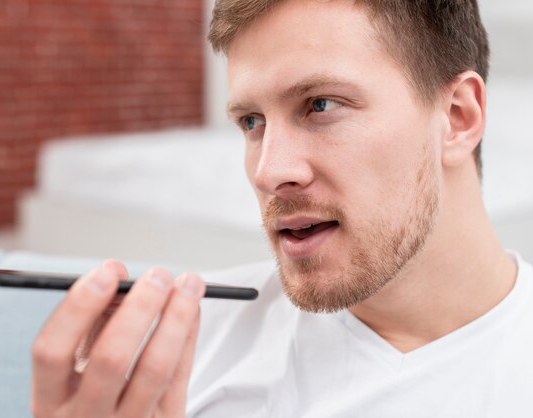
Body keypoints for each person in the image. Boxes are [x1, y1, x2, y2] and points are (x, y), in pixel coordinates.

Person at [30, 0, 533, 417]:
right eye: (252, 121)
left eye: (320, 104)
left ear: (458, 118)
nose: (268, 173)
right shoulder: (181, 357)